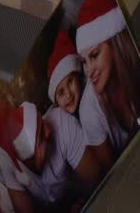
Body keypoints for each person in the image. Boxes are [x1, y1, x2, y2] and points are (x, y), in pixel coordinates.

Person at [76, 0, 140, 169]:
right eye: (84, 61)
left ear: (115, 46)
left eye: (94, 55)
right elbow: (111, 174)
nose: (88, 70)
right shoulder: (88, 110)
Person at [43, 30, 103, 194]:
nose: (68, 94)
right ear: (56, 102)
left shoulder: (91, 98)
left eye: (70, 82)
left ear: (78, 76)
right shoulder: (63, 123)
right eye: (61, 93)